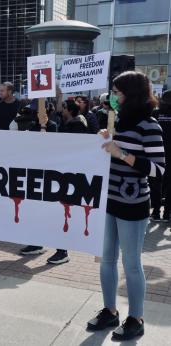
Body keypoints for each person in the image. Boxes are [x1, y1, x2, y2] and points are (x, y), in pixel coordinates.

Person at [87, 71, 165, 341]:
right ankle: (110, 310)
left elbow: (158, 170)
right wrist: (105, 142)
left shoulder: (149, 125)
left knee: (132, 263)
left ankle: (136, 317)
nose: (113, 97)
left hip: (133, 203)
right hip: (108, 199)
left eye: (117, 93)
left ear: (130, 94)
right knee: (107, 259)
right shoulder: (118, 120)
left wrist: (121, 153)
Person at [20, 100, 87, 264]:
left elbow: (47, 147)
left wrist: (42, 127)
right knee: (36, 211)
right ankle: (37, 243)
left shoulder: (52, 126)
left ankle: (62, 251)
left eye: (37, 111)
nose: (34, 114)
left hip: (51, 176)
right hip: (36, 174)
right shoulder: (31, 125)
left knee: (54, 214)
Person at [153, 90, 171, 222]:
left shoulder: (155, 113)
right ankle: (167, 214)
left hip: (156, 153)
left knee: (156, 183)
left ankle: (155, 212)